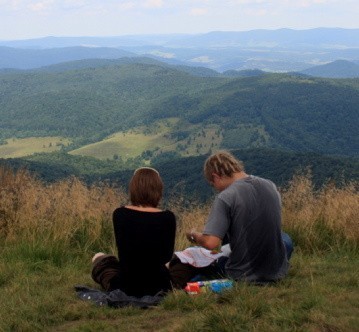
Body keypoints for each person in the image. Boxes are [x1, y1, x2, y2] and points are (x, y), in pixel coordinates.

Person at [169, 150, 293, 288]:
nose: (215, 189)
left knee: (194, 255)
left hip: (243, 273)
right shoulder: (270, 185)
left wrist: (194, 236)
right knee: (285, 238)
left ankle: (198, 280)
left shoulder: (226, 197)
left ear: (216, 176)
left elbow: (211, 243)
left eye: (212, 184)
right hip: (277, 269)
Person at [91, 167, 176, 297]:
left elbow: (125, 252)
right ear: (159, 189)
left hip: (126, 285)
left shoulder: (120, 214)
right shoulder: (168, 217)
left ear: (133, 188)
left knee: (99, 256)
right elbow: (167, 256)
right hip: (160, 285)